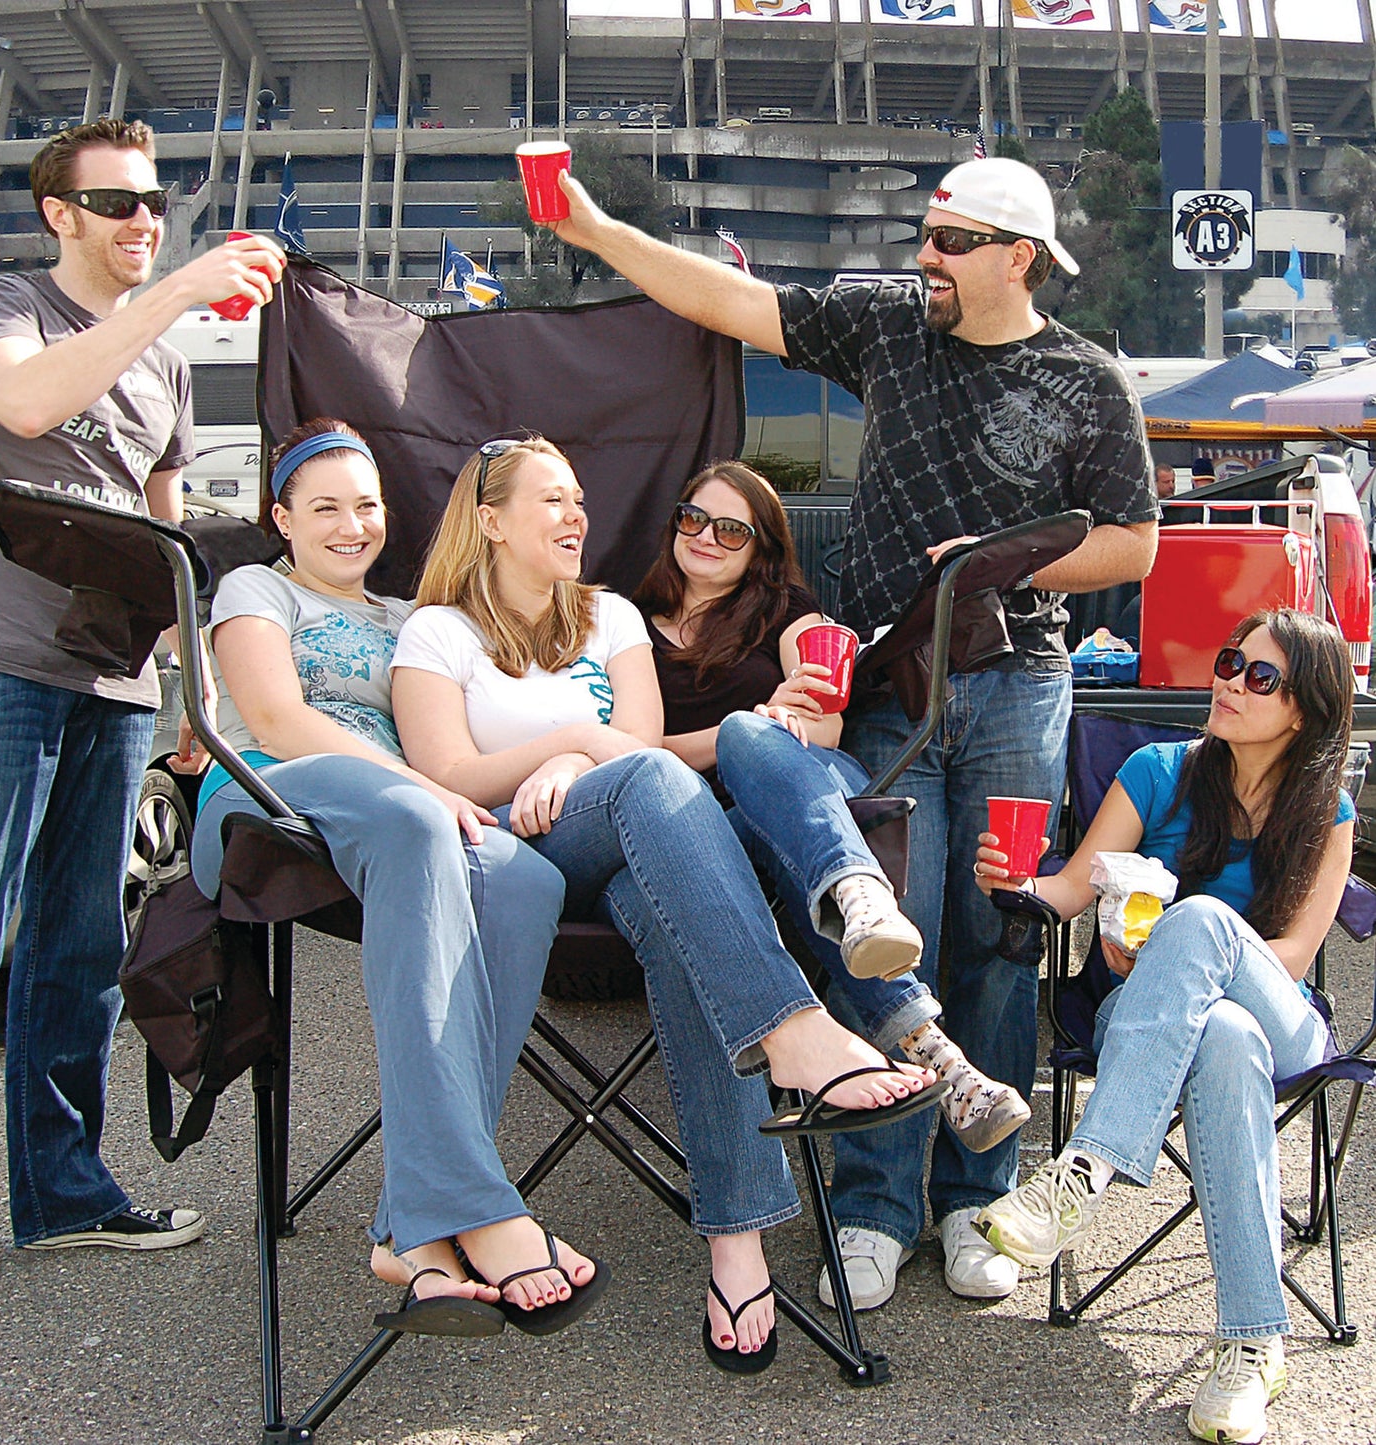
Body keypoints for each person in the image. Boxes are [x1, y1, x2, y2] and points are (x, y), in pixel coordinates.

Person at [547, 154, 1158, 1302]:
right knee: (892, 926)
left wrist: (993, 564)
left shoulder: (1087, 381)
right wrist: (594, 229)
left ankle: (975, 1199)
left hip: (1022, 678)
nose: (921, 257)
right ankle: (875, 1198)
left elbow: (1131, 545)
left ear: (1016, 256)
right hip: (884, 688)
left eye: (947, 241)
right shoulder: (887, 329)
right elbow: (724, 298)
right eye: (922, 235)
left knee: (998, 927)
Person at [390, 434, 942, 1372]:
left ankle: (737, 1240)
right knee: (652, 786)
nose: (576, 516)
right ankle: (795, 1029)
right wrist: (566, 738)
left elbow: (636, 740)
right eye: (552, 501)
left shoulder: (606, 616)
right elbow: (448, 771)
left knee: (682, 926)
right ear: (489, 522)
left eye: (579, 499)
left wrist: (579, 754)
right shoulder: (436, 631)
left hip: (620, 834)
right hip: (518, 849)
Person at [0, 118, 287, 1266]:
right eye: (121, 203)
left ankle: (63, 1193)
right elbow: (25, 408)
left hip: (117, 676)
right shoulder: (1, 313)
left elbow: (163, 527)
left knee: (81, 946)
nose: (144, 219)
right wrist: (176, 288)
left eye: (155, 205)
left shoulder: (166, 361)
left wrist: (193, 692)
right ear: (60, 216)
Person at [191, 418, 600, 1334]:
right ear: (281, 518)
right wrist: (423, 787)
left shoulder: (412, 618)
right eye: (324, 506)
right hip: (267, 799)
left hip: (393, 825)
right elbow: (274, 717)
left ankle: (415, 1226)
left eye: (366, 505)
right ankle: (477, 1204)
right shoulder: (256, 588)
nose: (350, 524)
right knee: (425, 819)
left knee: (526, 879)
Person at [631, 459, 1031, 1308]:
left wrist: (775, 718)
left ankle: (853, 891)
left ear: (763, 550)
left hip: (783, 821)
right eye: (691, 518)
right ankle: (938, 1053)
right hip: (682, 844)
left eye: (730, 529)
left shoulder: (791, 617)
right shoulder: (623, 621)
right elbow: (623, 757)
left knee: (770, 753)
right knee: (749, 742)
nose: (705, 537)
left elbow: (819, 721)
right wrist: (737, 726)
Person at [973, 608, 1354, 1444]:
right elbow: (1071, 888)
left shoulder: (1327, 813)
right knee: (1218, 1036)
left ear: (1303, 709)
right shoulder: (1157, 771)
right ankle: (1254, 1340)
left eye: (1260, 676)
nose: (1229, 681)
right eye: (1228, 661)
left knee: (1200, 924)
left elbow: (1288, 958)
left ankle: (1084, 1170)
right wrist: (1014, 882)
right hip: (1155, 1019)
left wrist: (1188, 938)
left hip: (1282, 1013)